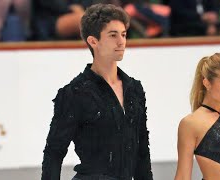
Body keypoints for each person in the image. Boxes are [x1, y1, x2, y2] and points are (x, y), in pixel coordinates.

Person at [41, 4, 153, 180]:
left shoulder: (134, 89)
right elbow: (54, 153)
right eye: (113, 35)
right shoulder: (74, 93)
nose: (121, 41)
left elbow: (142, 151)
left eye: (123, 34)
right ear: (93, 41)